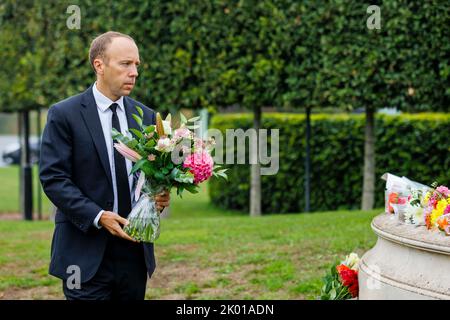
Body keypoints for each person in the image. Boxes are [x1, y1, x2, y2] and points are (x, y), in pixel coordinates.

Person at [39, 31, 170, 300]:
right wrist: (99, 216)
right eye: (125, 64)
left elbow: (151, 174)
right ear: (99, 65)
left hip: (134, 254)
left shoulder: (145, 116)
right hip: (83, 255)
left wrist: (158, 195)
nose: (134, 72)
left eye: (136, 65)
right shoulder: (64, 114)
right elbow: (54, 178)